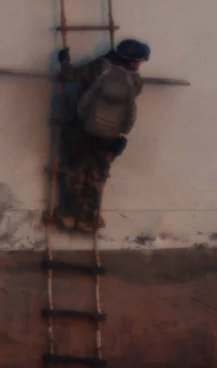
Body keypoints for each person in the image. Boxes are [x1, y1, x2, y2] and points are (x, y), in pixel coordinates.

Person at [52, 38, 151, 232]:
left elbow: (71, 75)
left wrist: (63, 60)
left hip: (82, 130)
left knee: (75, 172)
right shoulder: (136, 81)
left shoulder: (99, 67)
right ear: (132, 61)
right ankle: (87, 220)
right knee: (97, 177)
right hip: (109, 138)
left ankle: (68, 216)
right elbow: (129, 111)